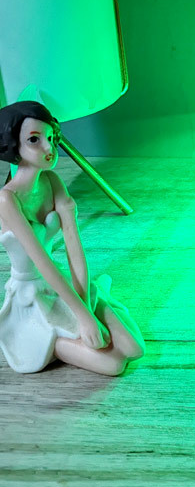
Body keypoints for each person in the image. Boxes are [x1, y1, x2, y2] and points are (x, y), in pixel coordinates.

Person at [0, 101, 144, 376]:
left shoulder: (52, 181)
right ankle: (51, 343)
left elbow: (73, 245)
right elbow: (41, 262)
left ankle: (94, 302)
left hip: (64, 283)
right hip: (32, 298)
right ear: (13, 146)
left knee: (135, 348)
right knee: (113, 364)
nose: (49, 148)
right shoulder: (8, 199)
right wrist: (83, 318)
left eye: (50, 137)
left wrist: (86, 306)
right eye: (34, 140)